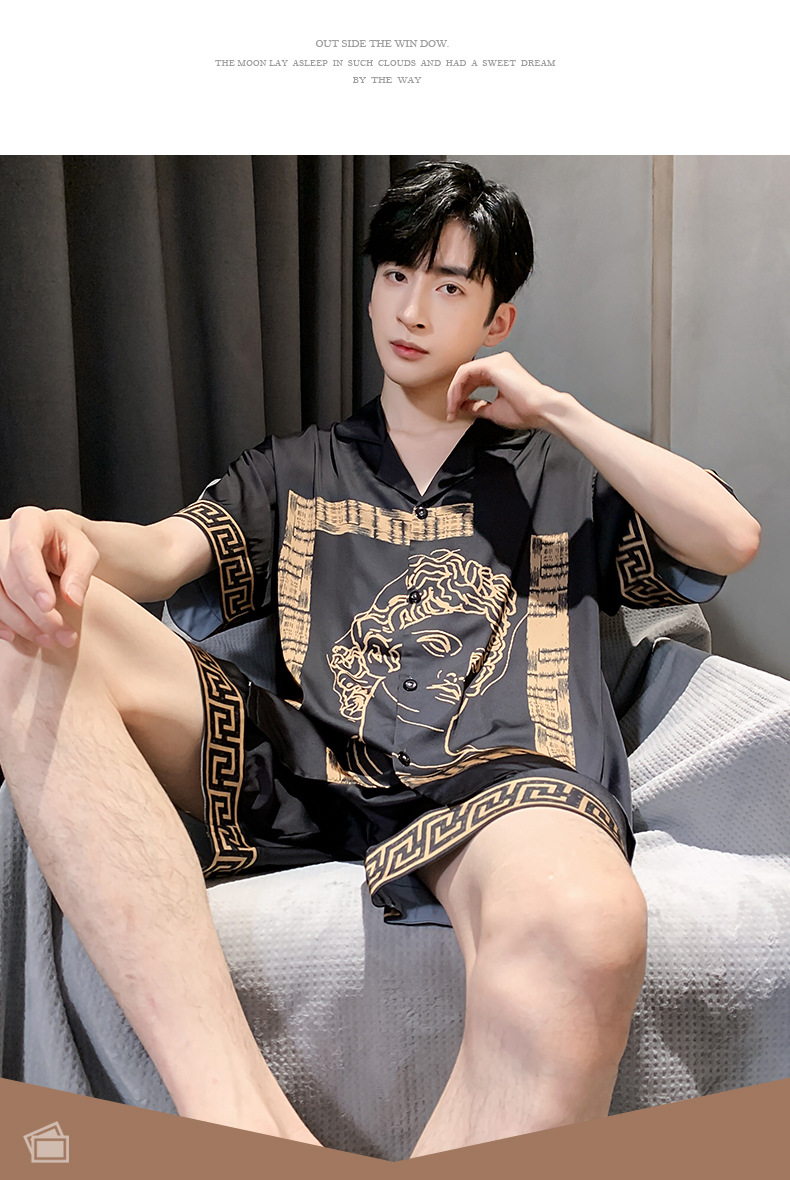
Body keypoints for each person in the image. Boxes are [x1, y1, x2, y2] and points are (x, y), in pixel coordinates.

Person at [0, 161, 761, 1156]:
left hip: (511, 778)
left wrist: (558, 410)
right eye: (396, 274)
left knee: (586, 922)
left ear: (497, 320)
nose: (411, 308)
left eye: (448, 284)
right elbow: (157, 552)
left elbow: (729, 538)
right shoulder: (295, 468)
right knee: (32, 611)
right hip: (311, 772)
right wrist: (61, 531)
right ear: (369, 290)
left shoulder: (561, 474)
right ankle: (244, 1131)